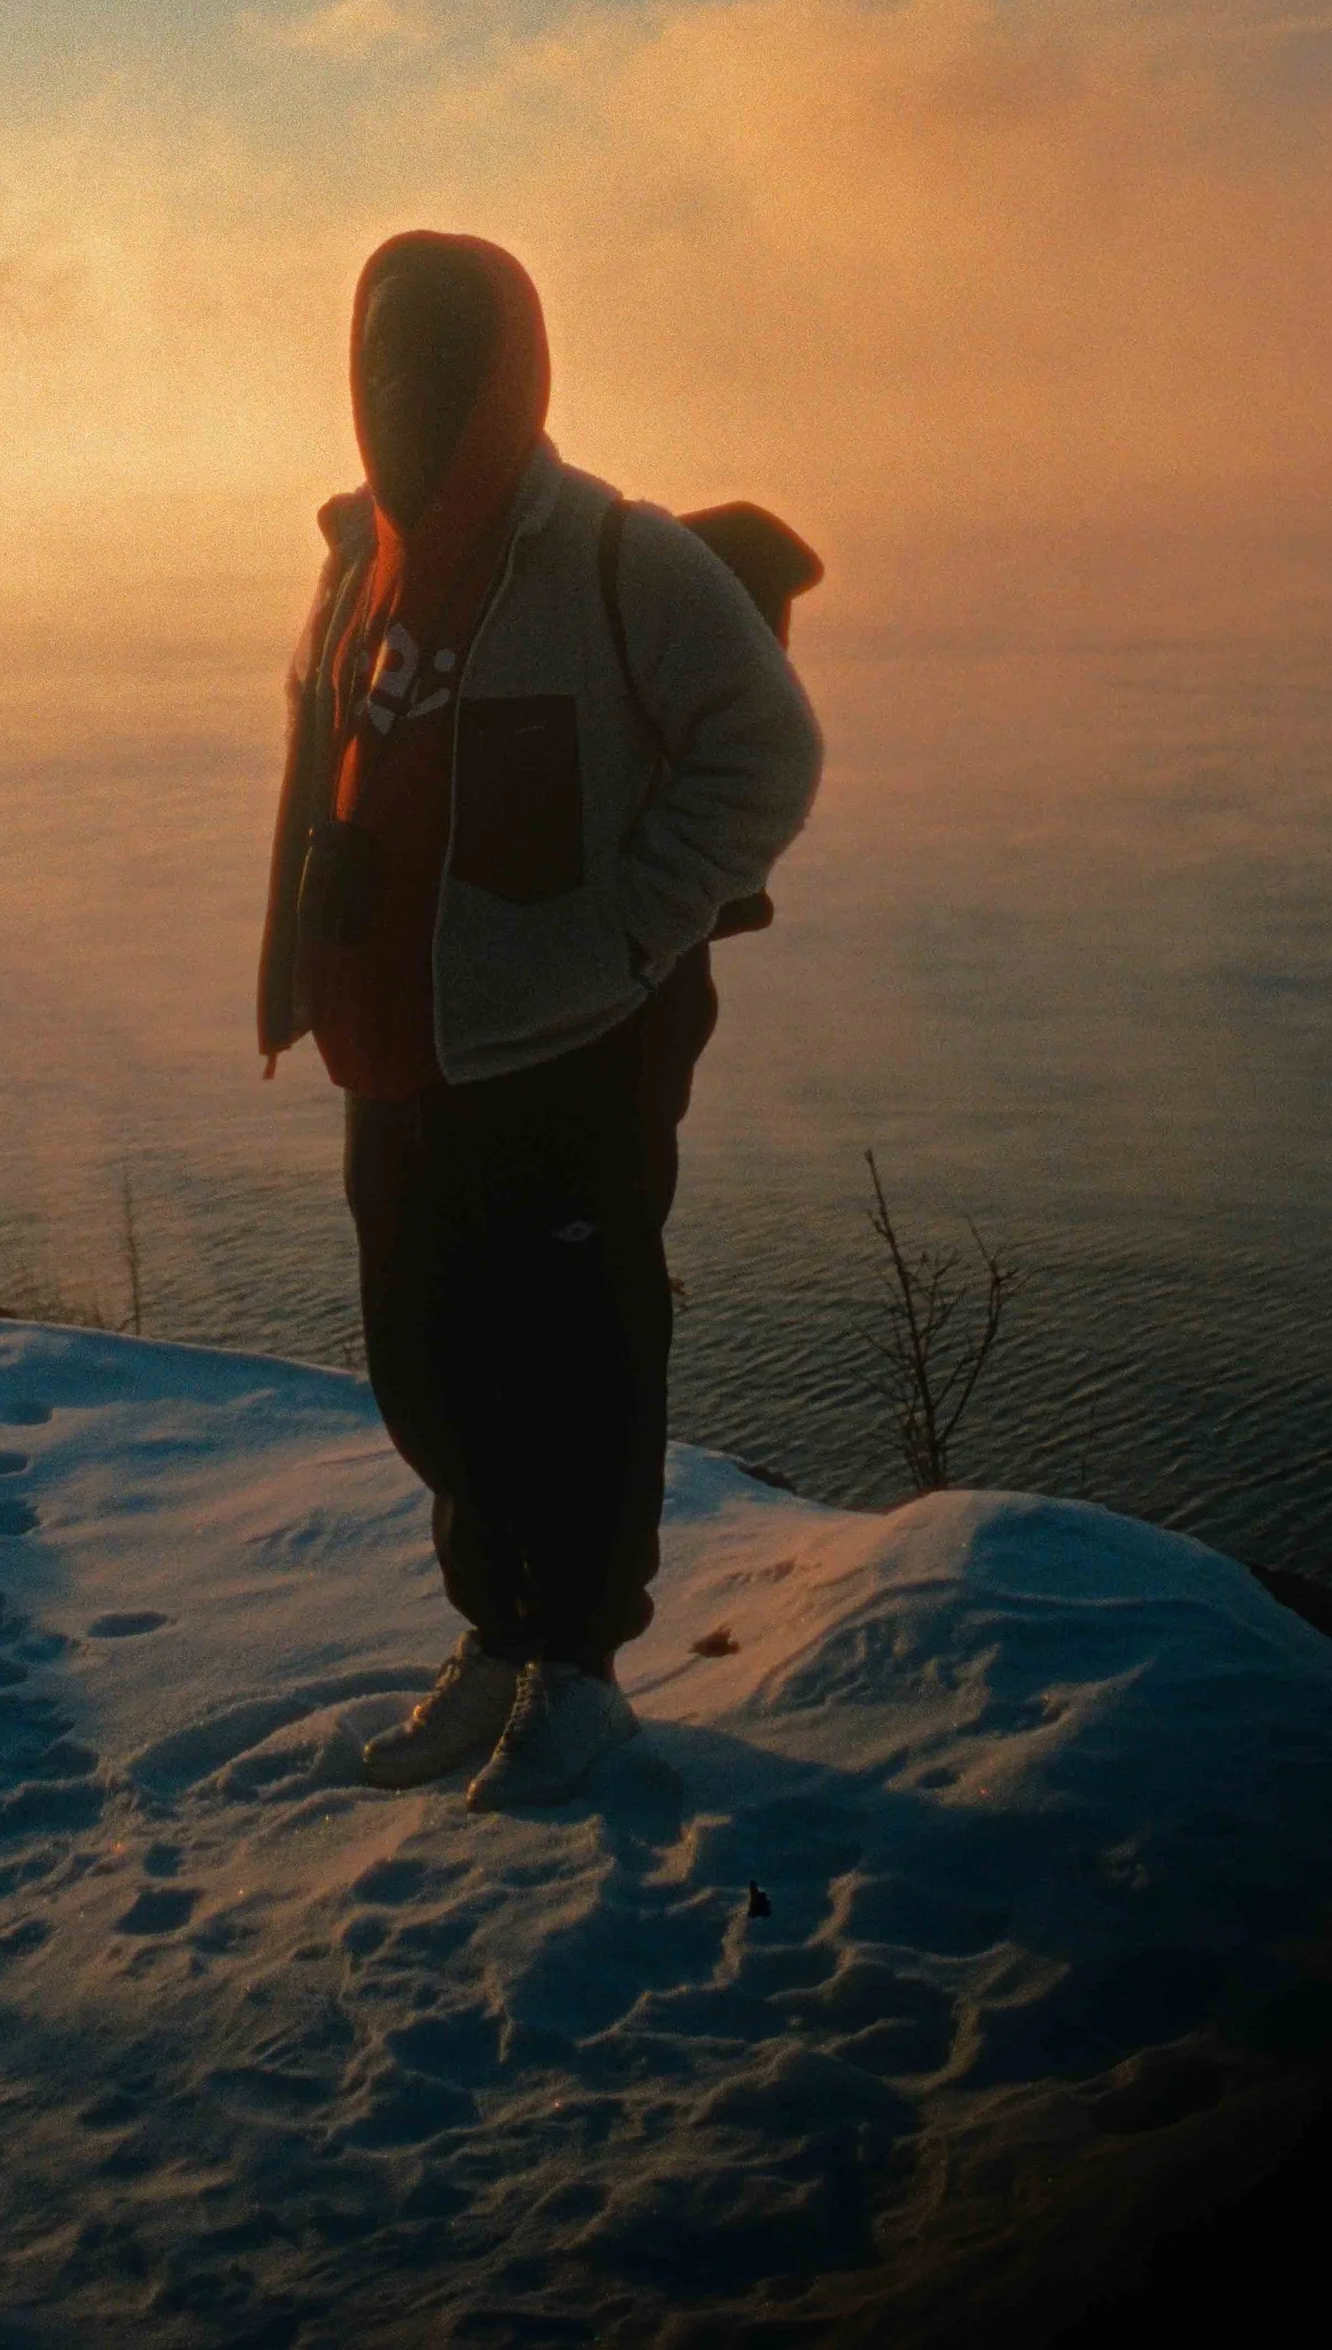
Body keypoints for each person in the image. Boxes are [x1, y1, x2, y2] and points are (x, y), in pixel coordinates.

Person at [258, 231, 824, 1812]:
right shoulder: (358, 553)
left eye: (432, 359)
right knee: (429, 1365)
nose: (397, 390)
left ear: (505, 371)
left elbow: (764, 752)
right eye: (377, 358)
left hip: (567, 1044)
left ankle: (576, 1673)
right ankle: (501, 1640)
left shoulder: (613, 555)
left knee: (575, 1358)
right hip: (402, 1045)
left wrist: (626, 930)